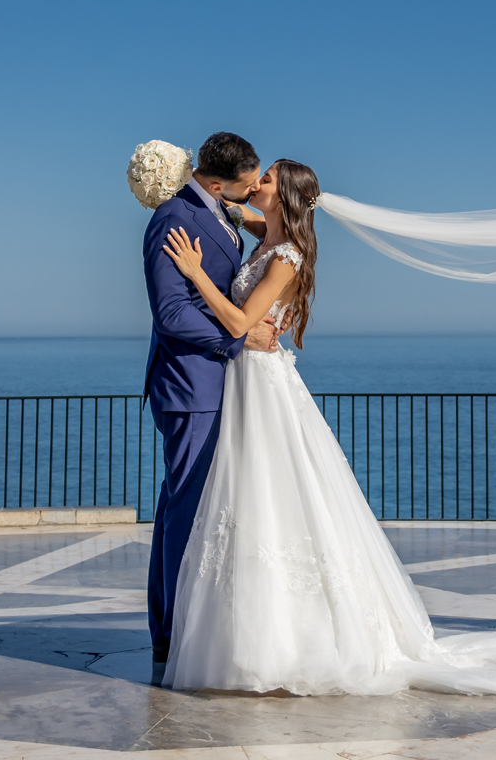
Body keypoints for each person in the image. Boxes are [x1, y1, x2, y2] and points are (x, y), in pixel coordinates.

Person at [158, 157, 496, 696]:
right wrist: (191, 188)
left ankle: (291, 641)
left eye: (267, 178)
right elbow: (230, 208)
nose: (256, 182)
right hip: (243, 382)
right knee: (251, 499)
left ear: (282, 195)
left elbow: (239, 322)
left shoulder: (287, 254)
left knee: (272, 492)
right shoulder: (265, 232)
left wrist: (194, 274)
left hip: (260, 380)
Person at [141, 132, 281, 687]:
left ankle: (172, 630)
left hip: (219, 382)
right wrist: (240, 340)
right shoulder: (173, 219)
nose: (251, 195)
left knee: (183, 507)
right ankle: (173, 636)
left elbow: (266, 240)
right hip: (190, 386)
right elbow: (171, 313)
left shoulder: (219, 205)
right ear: (218, 181)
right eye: (246, 186)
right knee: (187, 512)